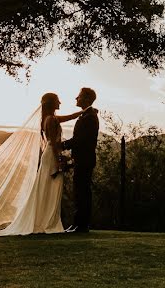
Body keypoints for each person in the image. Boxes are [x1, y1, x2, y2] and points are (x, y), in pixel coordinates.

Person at [0, 92, 81, 236]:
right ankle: (46, 222)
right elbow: (54, 143)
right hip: (52, 156)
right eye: (57, 101)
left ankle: (45, 220)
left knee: (47, 188)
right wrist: (60, 161)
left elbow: (68, 118)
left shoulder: (49, 118)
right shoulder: (51, 120)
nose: (60, 103)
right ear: (51, 103)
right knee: (49, 188)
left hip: (50, 155)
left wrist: (83, 112)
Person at [62, 87, 99, 233]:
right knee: (79, 192)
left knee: (82, 192)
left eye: (79, 96)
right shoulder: (86, 115)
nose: (76, 98)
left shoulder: (90, 116)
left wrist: (63, 145)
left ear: (87, 99)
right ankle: (78, 223)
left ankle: (82, 225)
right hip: (82, 159)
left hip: (85, 160)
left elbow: (80, 139)